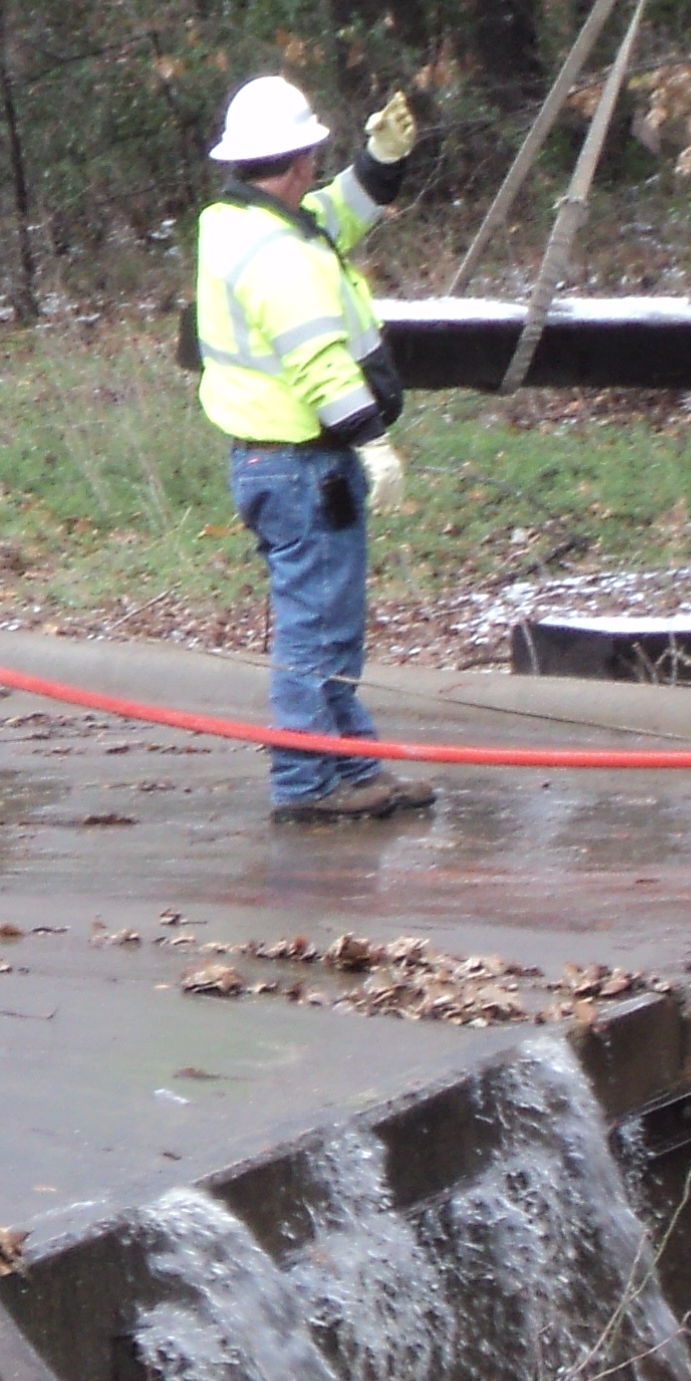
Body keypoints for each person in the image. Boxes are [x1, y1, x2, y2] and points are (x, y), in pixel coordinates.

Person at [190, 73, 429, 825]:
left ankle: (352, 767)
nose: (318, 171)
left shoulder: (247, 223)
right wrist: (374, 444)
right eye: (315, 157)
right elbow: (319, 363)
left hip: (273, 462)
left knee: (327, 627)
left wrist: (380, 165)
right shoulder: (280, 256)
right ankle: (305, 782)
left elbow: (336, 216)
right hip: (305, 465)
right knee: (315, 633)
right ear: (296, 160)